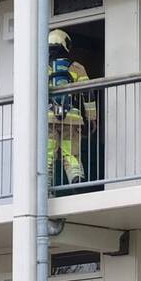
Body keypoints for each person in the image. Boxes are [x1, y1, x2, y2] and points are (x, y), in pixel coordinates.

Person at [47, 28, 97, 185]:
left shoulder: (41, 68)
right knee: (71, 153)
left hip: (49, 117)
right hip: (72, 118)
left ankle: (45, 186)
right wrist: (92, 118)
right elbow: (88, 93)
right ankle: (76, 178)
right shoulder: (77, 68)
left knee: (47, 154)